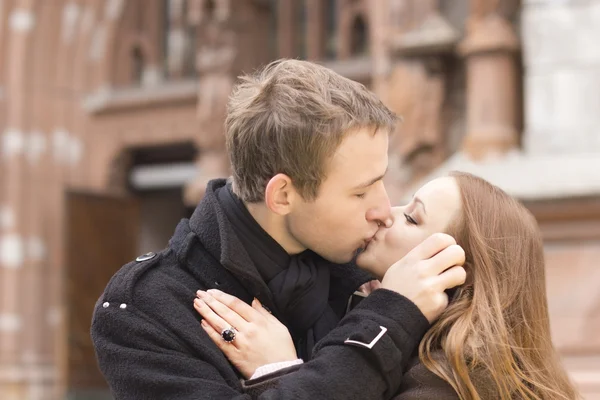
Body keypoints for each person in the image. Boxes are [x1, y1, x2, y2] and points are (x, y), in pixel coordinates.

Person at [91, 59, 466, 399]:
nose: (385, 210)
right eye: (361, 191)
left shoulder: (378, 271)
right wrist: (388, 319)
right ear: (283, 195)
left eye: (381, 181)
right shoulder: (142, 308)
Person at [196, 172, 580, 400]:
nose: (384, 215)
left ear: (456, 266)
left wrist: (279, 373)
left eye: (412, 218)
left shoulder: (451, 379)